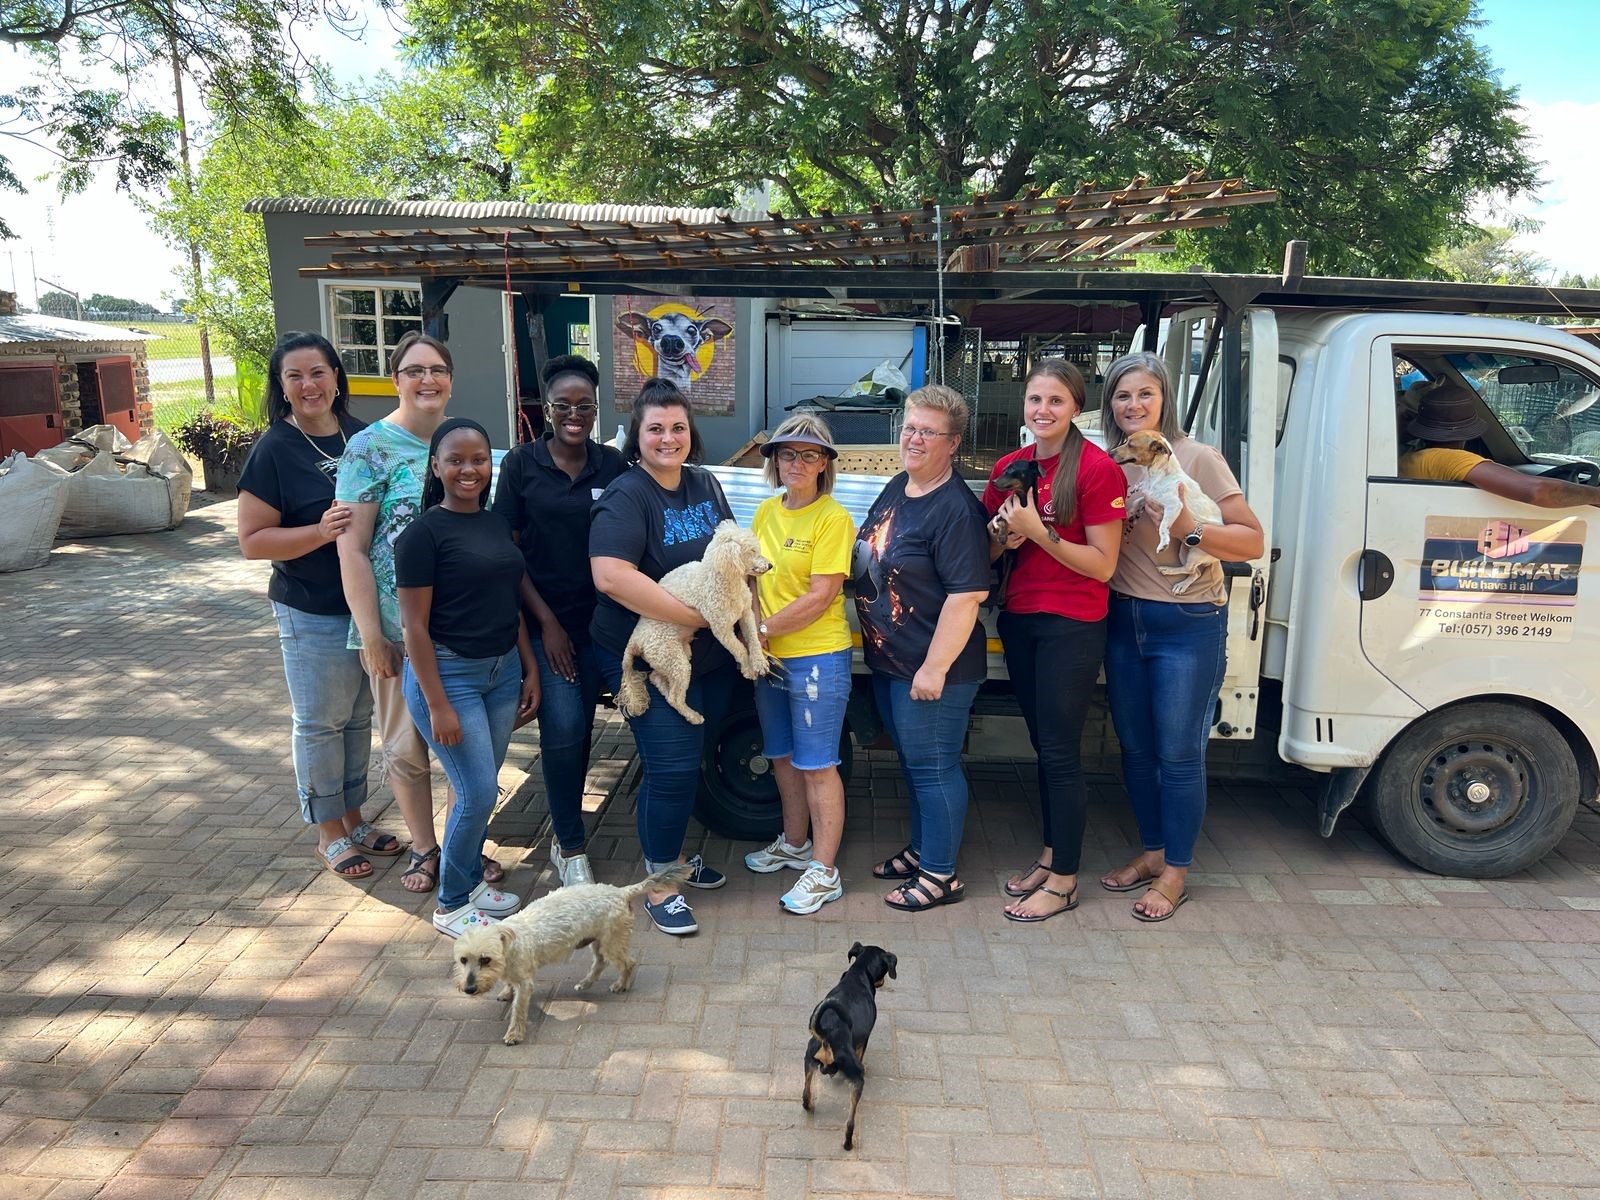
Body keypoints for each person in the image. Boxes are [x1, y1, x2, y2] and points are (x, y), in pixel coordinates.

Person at [1097, 351, 1264, 922]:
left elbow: (1250, 541)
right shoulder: (1112, 462)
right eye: (1123, 395)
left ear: (1165, 398)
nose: (1134, 405)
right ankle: (1152, 852)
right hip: (1124, 619)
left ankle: (1176, 872)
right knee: (1137, 750)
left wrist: (1190, 531)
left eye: (1146, 393)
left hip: (1187, 622)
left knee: (1179, 753)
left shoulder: (1197, 458)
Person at [336, 332, 506, 895]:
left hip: (461, 634)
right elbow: (352, 547)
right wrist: (371, 635)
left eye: (437, 370)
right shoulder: (369, 448)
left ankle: (464, 849)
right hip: (396, 629)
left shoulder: (467, 441)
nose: (427, 380)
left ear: (450, 379)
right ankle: (425, 849)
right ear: (396, 380)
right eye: (414, 370)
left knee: (467, 754)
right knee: (406, 750)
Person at [237, 332, 400, 878]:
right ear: (281, 386)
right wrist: (319, 532)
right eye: (295, 376)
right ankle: (329, 833)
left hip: (365, 607)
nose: (309, 385)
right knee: (320, 722)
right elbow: (252, 541)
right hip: (311, 607)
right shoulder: (274, 449)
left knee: (356, 719)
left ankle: (353, 819)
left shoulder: (361, 435)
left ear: (336, 377)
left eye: (318, 373)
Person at [589, 379, 740, 935]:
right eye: (656, 428)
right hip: (648, 656)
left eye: (678, 427)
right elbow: (611, 576)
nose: (668, 438)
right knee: (672, 765)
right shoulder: (628, 495)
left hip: (707, 657)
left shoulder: (705, 483)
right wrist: (695, 618)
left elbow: (726, 555)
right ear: (638, 434)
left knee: (686, 757)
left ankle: (672, 856)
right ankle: (660, 884)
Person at [984, 359, 1126, 922]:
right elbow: (989, 550)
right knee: (1044, 746)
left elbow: (1104, 565)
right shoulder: (1010, 467)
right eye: (1035, 399)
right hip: (1021, 618)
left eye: (1056, 401)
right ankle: (1051, 855)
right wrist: (1003, 537)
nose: (1043, 410)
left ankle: (1065, 881)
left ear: (1076, 409)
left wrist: (1038, 533)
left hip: (1073, 623)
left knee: (1062, 751)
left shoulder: (1096, 469)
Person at [397, 418, 538, 935]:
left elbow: (510, 601)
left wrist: (528, 668)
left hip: (501, 672)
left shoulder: (495, 523)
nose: (468, 469)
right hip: (448, 675)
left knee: (481, 789)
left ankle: (472, 885)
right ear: (436, 467)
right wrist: (437, 704)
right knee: (476, 793)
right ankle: (452, 904)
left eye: (478, 459)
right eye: (455, 460)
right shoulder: (422, 535)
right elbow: (413, 627)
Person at [853, 384, 990, 912]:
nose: (913, 438)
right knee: (914, 764)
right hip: (893, 661)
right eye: (909, 427)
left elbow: (967, 595)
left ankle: (940, 875)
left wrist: (933, 669)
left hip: (931, 669)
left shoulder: (955, 510)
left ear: (952, 443)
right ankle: (924, 848)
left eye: (927, 432)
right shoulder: (900, 484)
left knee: (934, 768)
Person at [493, 355, 626, 888]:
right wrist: (546, 624)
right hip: (549, 628)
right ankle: (569, 845)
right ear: (546, 410)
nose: (575, 414)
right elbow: (507, 552)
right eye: (563, 405)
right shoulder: (522, 465)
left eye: (584, 405)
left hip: (607, 626)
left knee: (615, 723)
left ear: (596, 410)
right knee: (567, 729)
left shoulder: (613, 466)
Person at [743, 413, 855, 914]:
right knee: (783, 757)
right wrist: (754, 631)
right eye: (788, 453)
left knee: (817, 765)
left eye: (810, 455)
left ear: (824, 464)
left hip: (816, 658)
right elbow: (751, 580)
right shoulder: (766, 512)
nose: (797, 463)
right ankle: (794, 844)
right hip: (769, 658)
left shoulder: (833, 518)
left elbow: (820, 596)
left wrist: (761, 633)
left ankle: (825, 872)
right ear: (775, 461)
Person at [1400, 382, 1600, 507]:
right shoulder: (1447, 459)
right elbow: (1536, 491)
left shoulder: (1411, 458)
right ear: (1470, 429)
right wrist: (1595, 496)